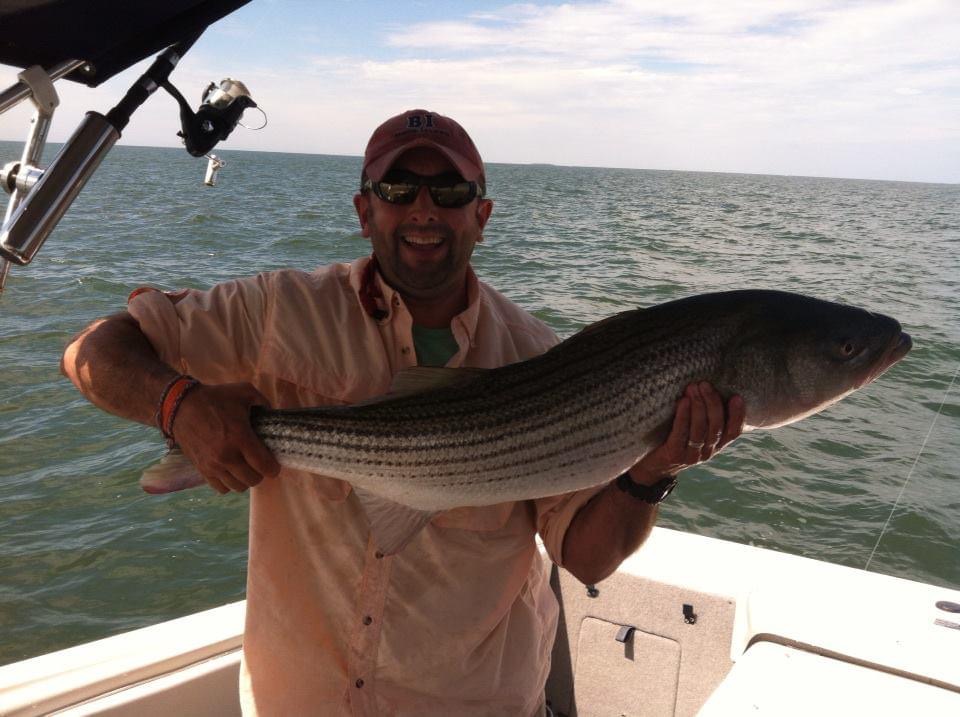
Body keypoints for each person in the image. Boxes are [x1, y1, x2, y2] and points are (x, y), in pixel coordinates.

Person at [61, 109, 744, 715]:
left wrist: (656, 467)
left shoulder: (540, 358)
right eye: (397, 190)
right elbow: (93, 350)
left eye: (449, 192)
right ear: (364, 211)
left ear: (482, 215)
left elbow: (586, 557)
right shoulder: (278, 310)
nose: (424, 209)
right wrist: (179, 406)